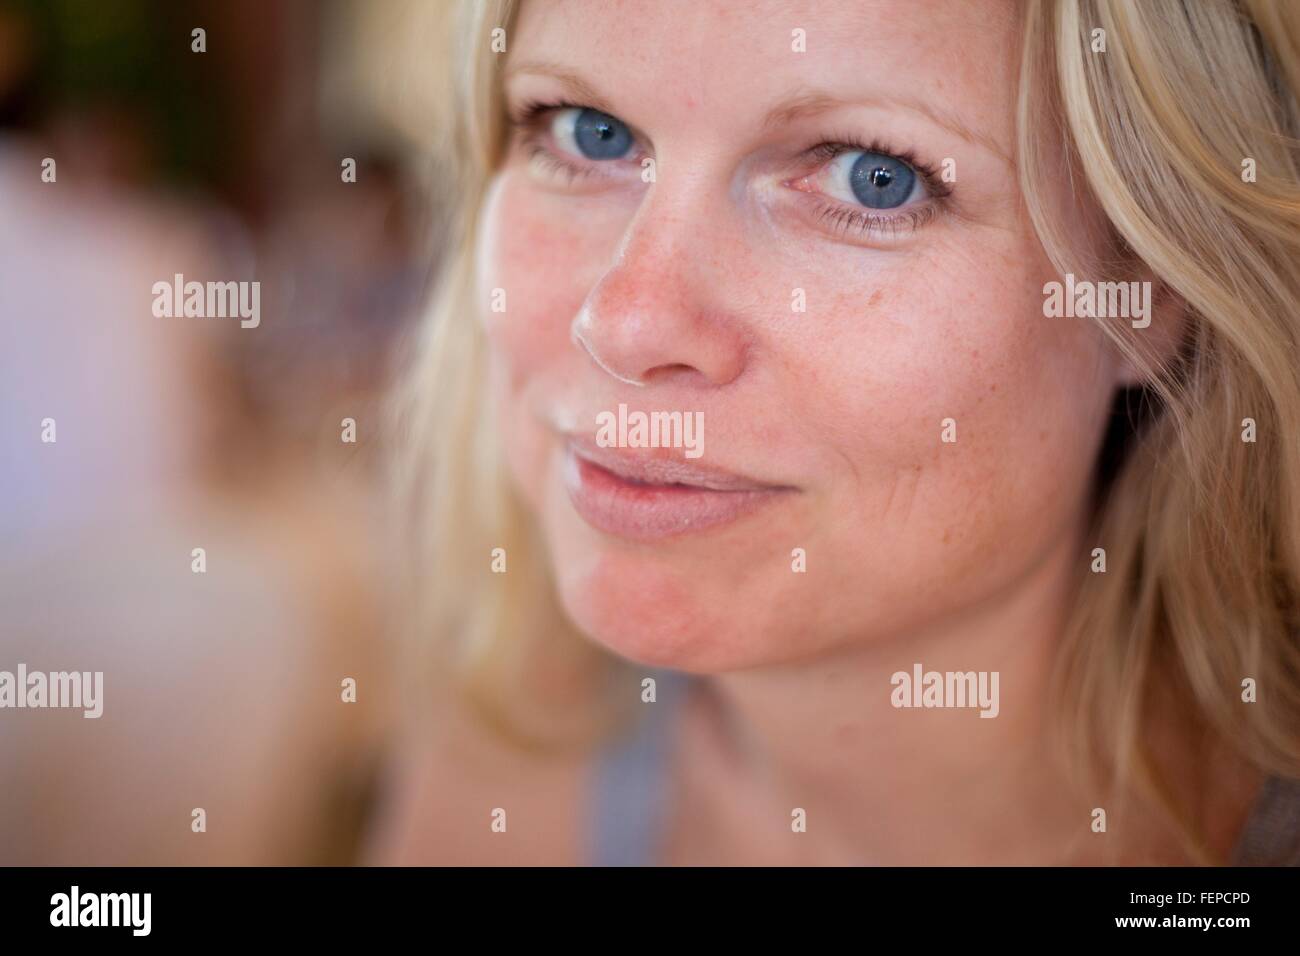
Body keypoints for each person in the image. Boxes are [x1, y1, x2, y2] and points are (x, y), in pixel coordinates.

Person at [362, 0, 1300, 865]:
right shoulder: (514, 761)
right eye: (586, 132)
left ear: (1149, 294)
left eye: (872, 177)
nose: (627, 323)